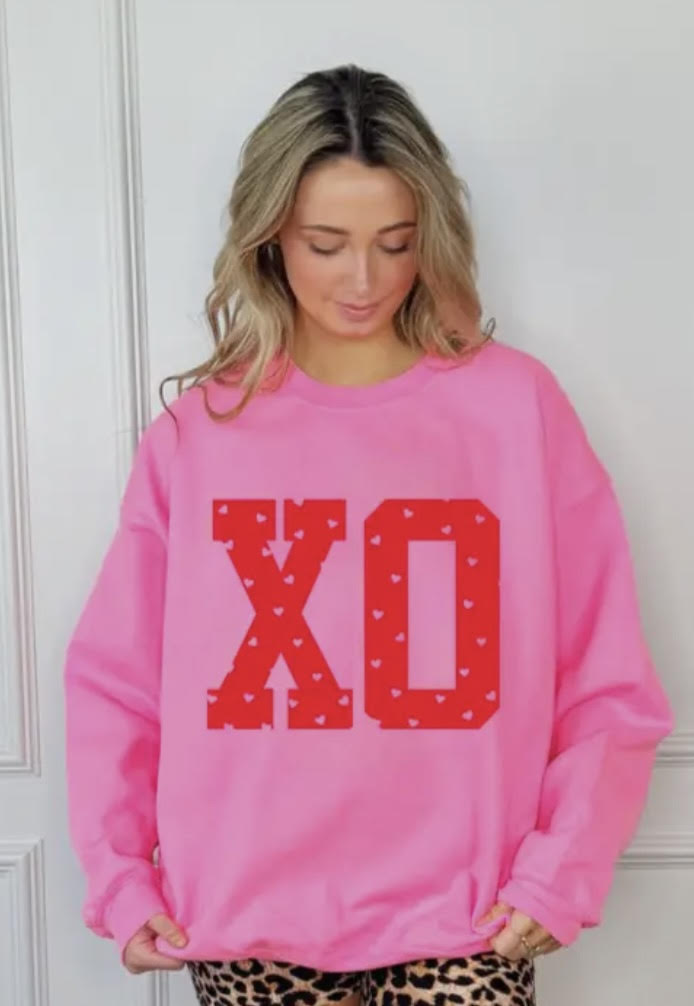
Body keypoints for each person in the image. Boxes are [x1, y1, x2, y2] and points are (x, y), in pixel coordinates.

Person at [63, 63, 675, 1006]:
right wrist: (118, 873)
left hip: (468, 920)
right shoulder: (201, 434)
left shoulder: (516, 409)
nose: (364, 280)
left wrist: (564, 867)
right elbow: (119, 681)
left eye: (397, 243)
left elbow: (605, 673)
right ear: (269, 235)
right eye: (326, 244)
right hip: (246, 913)